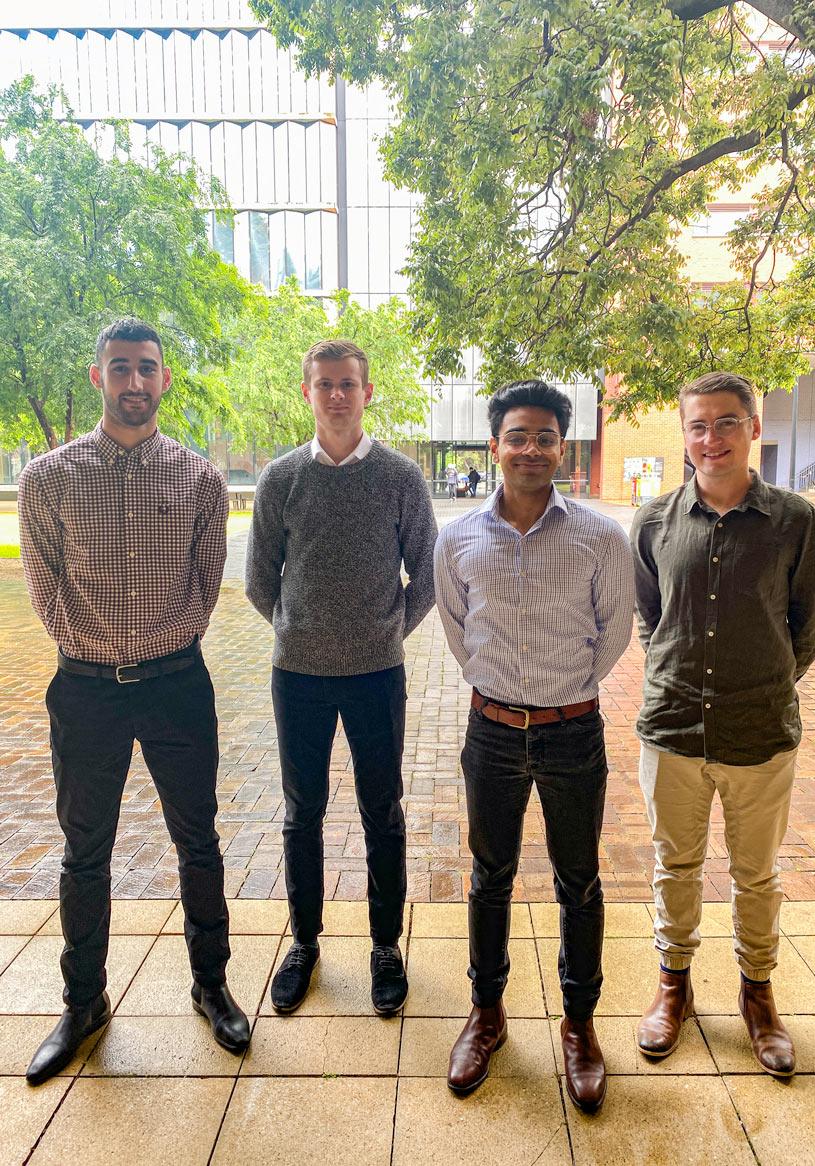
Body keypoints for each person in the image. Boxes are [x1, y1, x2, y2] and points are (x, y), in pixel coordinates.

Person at [18, 318, 249, 1086]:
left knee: (199, 842)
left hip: (178, 685)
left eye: (147, 368)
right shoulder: (48, 479)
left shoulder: (198, 480)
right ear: (98, 378)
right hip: (84, 693)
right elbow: (46, 592)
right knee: (85, 852)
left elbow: (204, 583)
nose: (135, 382)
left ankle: (210, 983)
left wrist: (155, 648)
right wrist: (101, 649)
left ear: (165, 378)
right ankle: (83, 1001)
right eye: (121, 368)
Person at [434, 380, 634, 1112]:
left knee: (577, 880)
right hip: (489, 731)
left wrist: (565, 691)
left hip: (572, 731)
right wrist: (499, 691)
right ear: (495, 445)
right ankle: (486, 1015)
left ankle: (579, 1026)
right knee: (490, 877)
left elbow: (613, 632)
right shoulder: (456, 537)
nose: (529, 449)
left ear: (561, 447)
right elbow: (459, 630)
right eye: (516, 436)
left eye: (544, 437)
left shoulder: (599, 536)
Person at [630, 371, 815, 1077]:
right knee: (673, 866)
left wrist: (762, 681)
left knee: (755, 875)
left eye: (723, 423)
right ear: (683, 435)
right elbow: (647, 617)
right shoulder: (654, 521)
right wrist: (671, 670)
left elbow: (807, 628)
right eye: (696, 425)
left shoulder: (795, 523)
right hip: (673, 729)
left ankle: (757, 995)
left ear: (752, 427)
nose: (708, 438)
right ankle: (672, 986)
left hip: (759, 734)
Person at [245, 338, 437, 1017]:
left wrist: (383, 632)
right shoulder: (280, 479)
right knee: (303, 814)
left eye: (347, 383)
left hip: (376, 675)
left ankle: (386, 944)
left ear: (367, 391)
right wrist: (300, 629)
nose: (335, 394)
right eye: (323, 383)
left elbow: (428, 574)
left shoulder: (399, 477)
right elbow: (259, 581)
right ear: (307, 393)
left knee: (381, 811)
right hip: (296, 676)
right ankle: (304, 943)